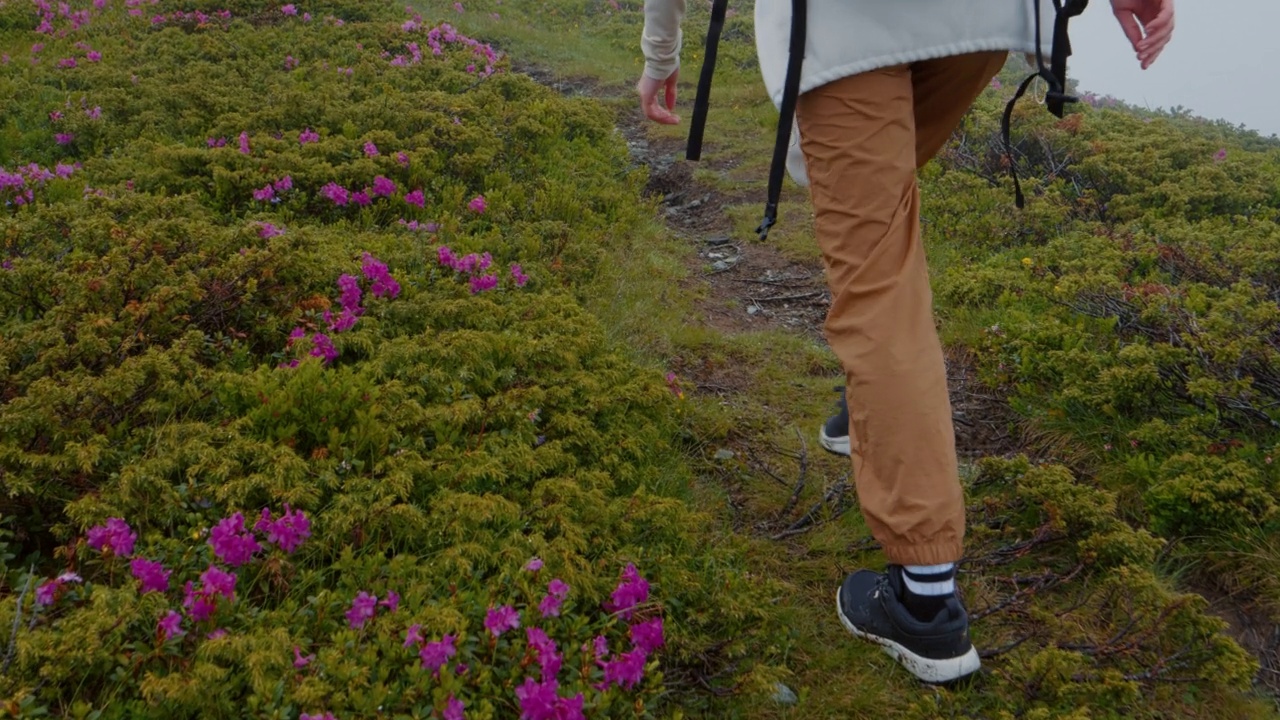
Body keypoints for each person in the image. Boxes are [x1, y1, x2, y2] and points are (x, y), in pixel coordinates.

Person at [638, 0, 1174, 685]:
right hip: (977, 18)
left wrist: (661, 52)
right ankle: (872, 410)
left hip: (845, 24)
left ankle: (924, 600)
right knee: (878, 209)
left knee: (876, 275)